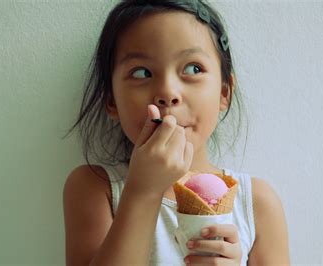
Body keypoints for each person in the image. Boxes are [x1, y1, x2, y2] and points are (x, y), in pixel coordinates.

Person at [63, 0, 290, 265]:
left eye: (193, 68)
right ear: (111, 100)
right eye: (142, 72)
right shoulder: (94, 188)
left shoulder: (257, 203)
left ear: (223, 93)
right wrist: (143, 190)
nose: (168, 93)